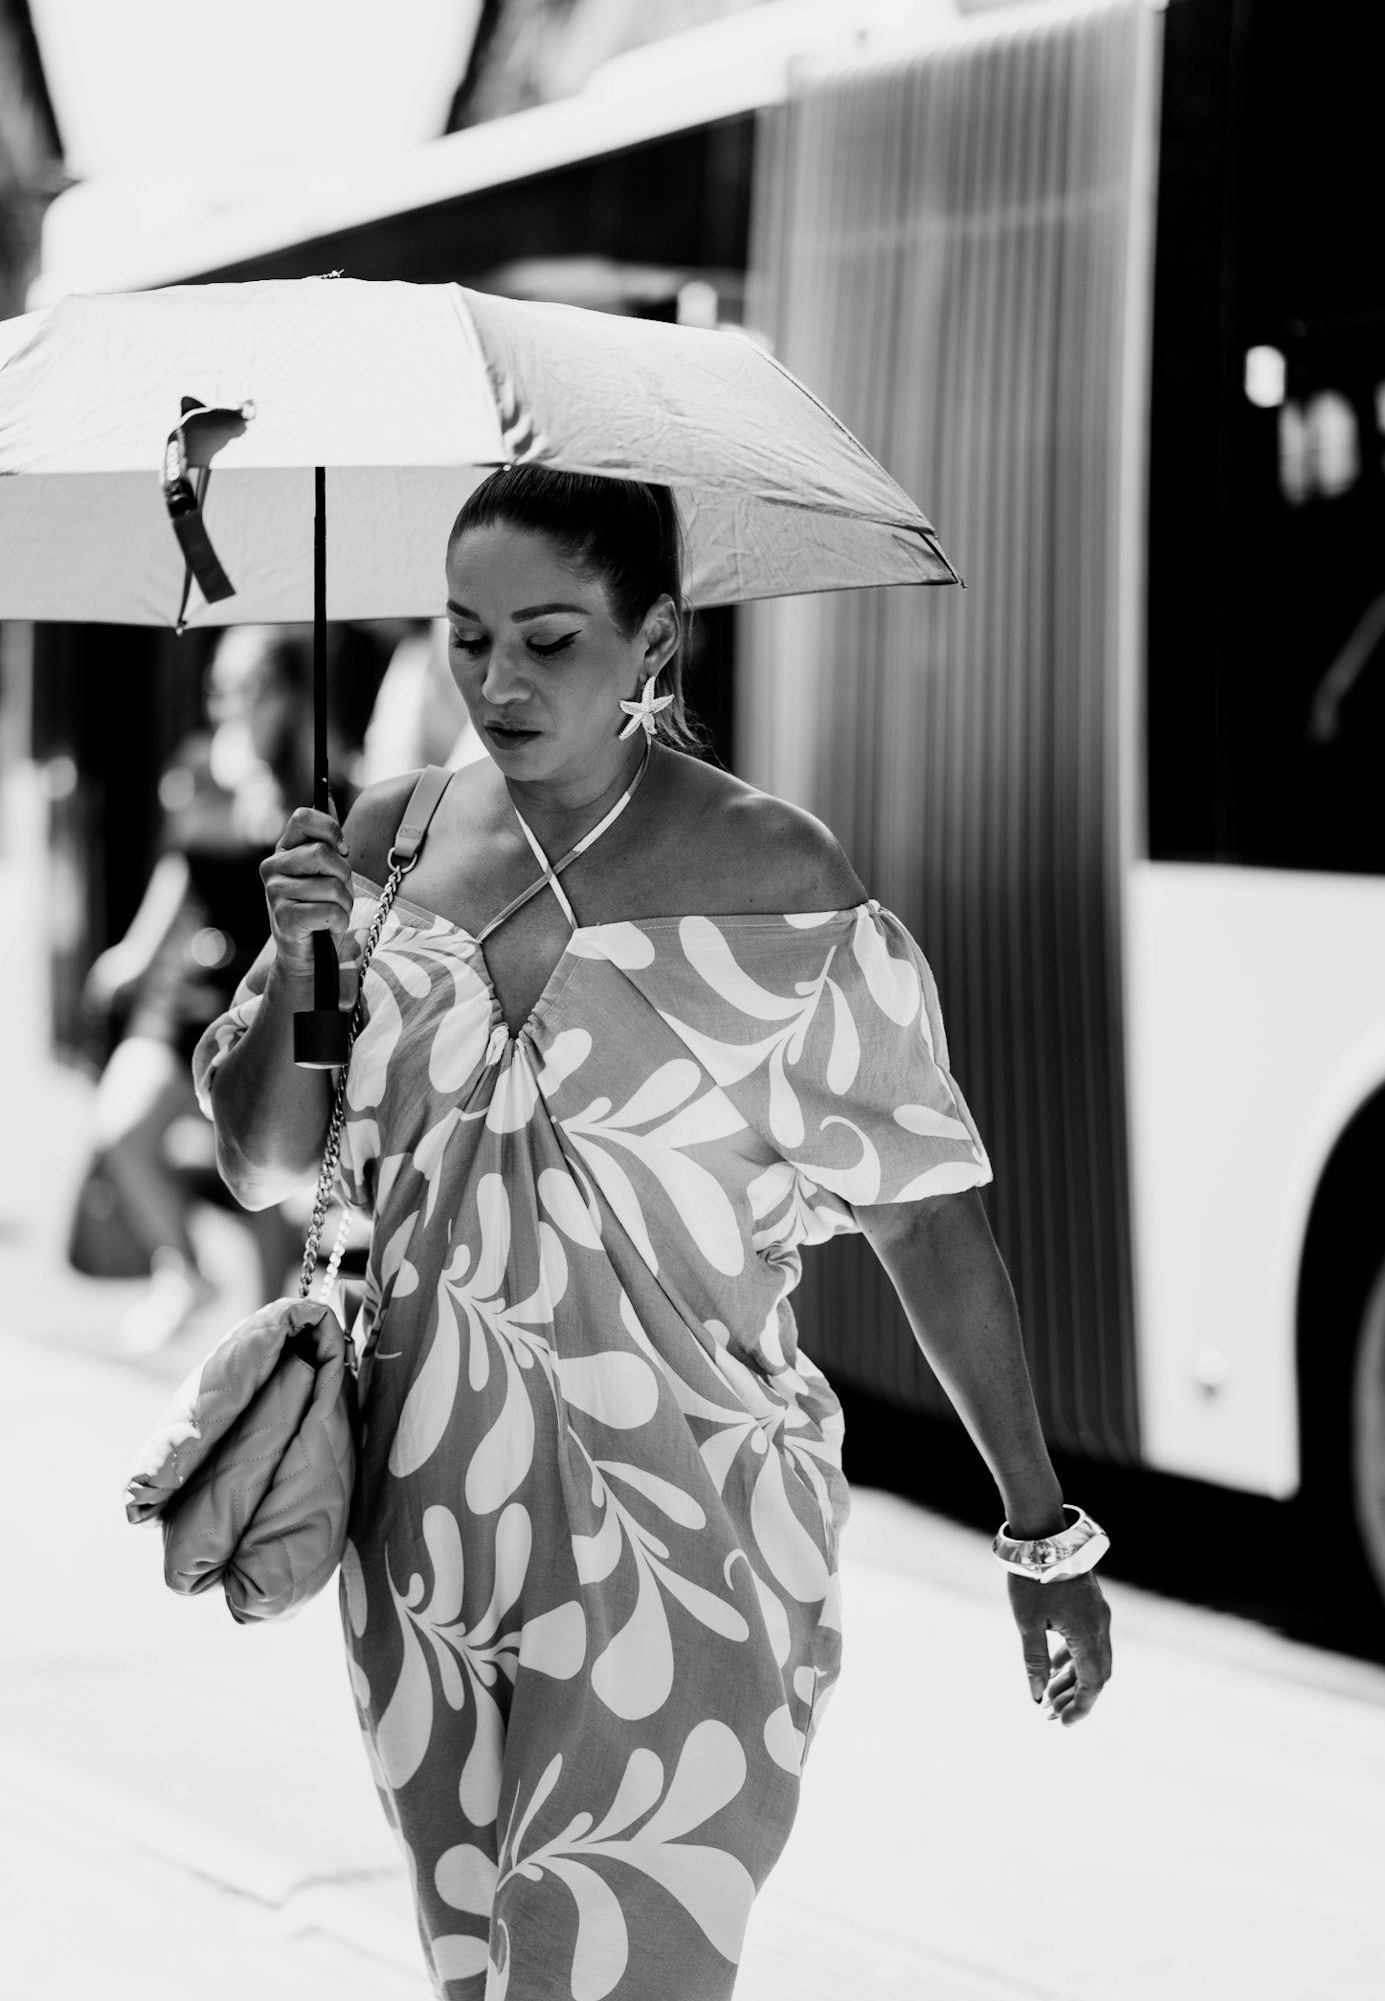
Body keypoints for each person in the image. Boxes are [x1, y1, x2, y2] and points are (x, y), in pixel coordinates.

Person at [194, 467, 1112, 2001]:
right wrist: (306, 960)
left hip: (692, 1548)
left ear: (655, 639)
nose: (497, 681)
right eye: (469, 636)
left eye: (550, 640)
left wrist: (1044, 1532)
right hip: (423, 1540)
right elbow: (264, 1160)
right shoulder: (386, 849)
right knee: (488, 1980)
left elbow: (928, 1229)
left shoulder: (783, 885)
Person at [81, 623, 335, 1350]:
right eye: (221, 687)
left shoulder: (317, 784)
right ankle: (180, 1269)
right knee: (120, 1124)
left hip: (262, 998)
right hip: (187, 989)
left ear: (287, 696)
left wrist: (274, 803)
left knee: (262, 1174)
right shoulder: (197, 766)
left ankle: (256, 1356)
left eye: (248, 688)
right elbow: (181, 867)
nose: (230, 705)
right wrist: (133, 950)